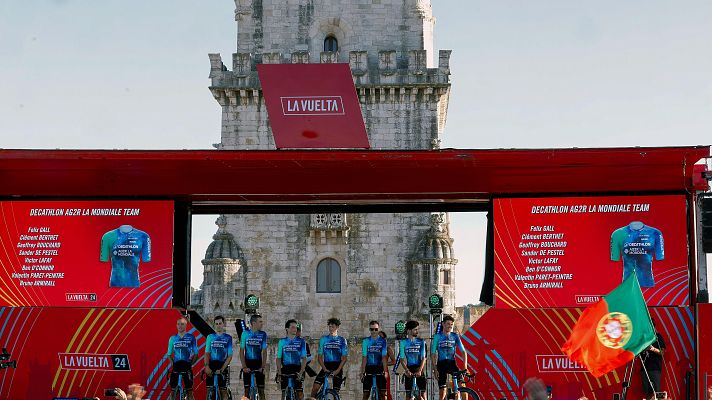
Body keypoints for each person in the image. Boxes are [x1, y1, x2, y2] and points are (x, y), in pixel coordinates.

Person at [432, 315, 468, 400]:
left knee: (462, 386)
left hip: (452, 363)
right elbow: (433, 353)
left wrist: (465, 367)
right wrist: (435, 369)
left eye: (451, 324)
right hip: (441, 364)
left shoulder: (455, 336)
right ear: (443, 324)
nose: (450, 326)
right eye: (448, 324)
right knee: (442, 392)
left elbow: (463, 352)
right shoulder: (437, 336)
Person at [311, 317, 348, 398]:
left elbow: (344, 358)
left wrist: (338, 370)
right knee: (315, 388)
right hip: (326, 366)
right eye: (330, 326)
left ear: (337, 327)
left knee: (336, 393)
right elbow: (320, 357)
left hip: (337, 366)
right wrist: (324, 369)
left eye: (333, 326)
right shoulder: (323, 339)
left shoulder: (342, 340)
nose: (331, 328)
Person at [167, 317, 198, 400]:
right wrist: (173, 363)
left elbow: (196, 353)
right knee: (173, 391)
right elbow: (169, 354)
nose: (180, 326)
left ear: (186, 325)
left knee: (189, 391)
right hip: (176, 365)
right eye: (178, 324)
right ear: (176, 326)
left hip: (187, 365)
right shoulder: (172, 338)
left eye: (182, 324)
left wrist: (191, 363)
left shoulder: (191, 337)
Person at [277, 319, 307, 400]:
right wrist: (279, 372)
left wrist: (301, 372)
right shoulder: (282, 342)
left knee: (299, 392)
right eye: (293, 327)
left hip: (297, 368)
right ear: (287, 329)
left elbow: (304, 358)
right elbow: (278, 358)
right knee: (283, 393)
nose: (295, 329)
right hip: (286, 368)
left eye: (296, 327)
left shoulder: (301, 341)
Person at [205, 315, 233, 400]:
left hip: (222, 365)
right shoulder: (210, 337)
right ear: (214, 325)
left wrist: (222, 369)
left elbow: (230, 355)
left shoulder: (228, 338)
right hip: (212, 364)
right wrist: (206, 366)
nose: (218, 325)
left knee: (223, 391)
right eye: (216, 324)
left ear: (223, 324)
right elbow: (206, 353)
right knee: (209, 390)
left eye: (220, 323)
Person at [240, 314, 268, 400]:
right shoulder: (245, 333)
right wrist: (244, 366)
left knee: (261, 390)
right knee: (246, 390)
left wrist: (263, 367)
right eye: (260, 322)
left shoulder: (263, 334)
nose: (262, 324)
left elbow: (264, 351)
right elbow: (241, 351)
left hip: (258, 363)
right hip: (247, 363)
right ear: (253, 323)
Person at [360, 320, 389, 400]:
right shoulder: (365, 341)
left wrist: (386, 371)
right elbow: (364, 357)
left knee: (383, 394)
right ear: (369, 329)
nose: (374, 331)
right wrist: (362, 371)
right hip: (369, 367)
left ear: (378, 329)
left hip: (379, 367)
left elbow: (384, 357)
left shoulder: (383, 341)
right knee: (365, 394)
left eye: (376, 329)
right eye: (372, 329)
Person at [399, 320, 427, 400]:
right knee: (408, 395)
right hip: (409, 369)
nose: (417, 331)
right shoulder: (403, 342)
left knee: (422, 395)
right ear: (409, 330)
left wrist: (420, 370)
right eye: (415, 329)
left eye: (417, 329)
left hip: (419, 368)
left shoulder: (421, 341)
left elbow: (423, 357)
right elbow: (402, 358)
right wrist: (406, 370)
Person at [641, 320, 666, 400]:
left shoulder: (658, 337)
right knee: (647, 392)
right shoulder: (644, 337)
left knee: (656, 392)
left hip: (654, 368)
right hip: (644, 368)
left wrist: (652, 349)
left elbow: (662, 352)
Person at [379, 330, 396, 400]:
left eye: (381, 337)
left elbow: (394, 361)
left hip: (384, 372)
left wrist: (385, 363)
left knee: (386, 392)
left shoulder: (388, 348)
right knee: (376, 392)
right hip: (374, 370)